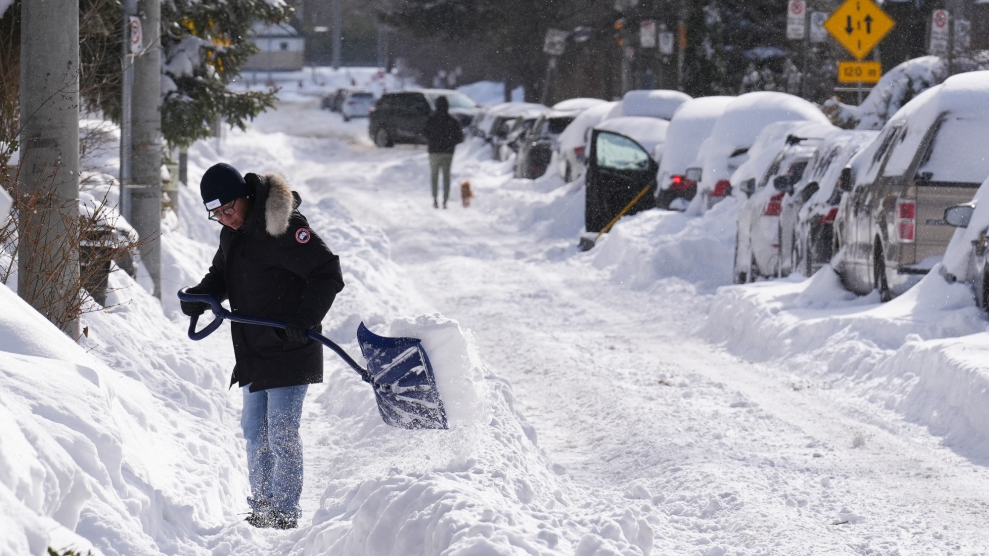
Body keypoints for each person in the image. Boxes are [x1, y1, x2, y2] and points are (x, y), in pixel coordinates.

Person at [180, 163, 345, 530]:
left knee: (282, 433)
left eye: (228, 209)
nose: (225, 218)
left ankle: (285, 512)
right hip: (253, 349)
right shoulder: (232, 234)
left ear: (245, 197)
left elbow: (328, 272)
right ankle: (262, 507)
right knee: (255, 430)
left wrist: (304, 320)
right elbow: (221, 275)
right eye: (217, 214)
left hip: (290, 345)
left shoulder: (282, 226)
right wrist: (200, 296)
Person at [423, 96, 464, 209]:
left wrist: (433, 139)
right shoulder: (453, 120)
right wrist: (450, 142)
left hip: (434, 152)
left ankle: (435, 199)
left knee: (434, 175)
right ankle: (445, 200)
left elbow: (425, 134)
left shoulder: (431, 119)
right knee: (446, 176)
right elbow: (460, 137)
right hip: (448, 152)